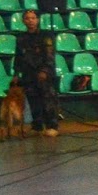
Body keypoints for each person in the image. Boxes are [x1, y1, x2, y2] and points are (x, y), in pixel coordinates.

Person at [13, 9, 60, 137]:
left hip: (45, 74)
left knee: (48, 101)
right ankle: (37, 126)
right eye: (27, 18)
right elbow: (18, 56)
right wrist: (16, 73)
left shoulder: (46, 36)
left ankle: (52, 126)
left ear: (38, 20)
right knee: (33, 102)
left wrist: (44, 70)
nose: (30, 21)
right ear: (23, 21)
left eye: (33, 18)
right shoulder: (21, 38)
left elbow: (50, 55)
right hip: (28, 74)